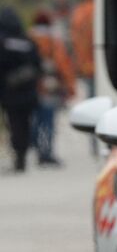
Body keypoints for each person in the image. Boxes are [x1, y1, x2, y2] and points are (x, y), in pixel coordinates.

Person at [29, 10, 76, 165]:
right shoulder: (53, 40)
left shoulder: (28, 37)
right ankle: (46, 152)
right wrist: (70, 87)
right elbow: (63, 64)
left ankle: (34, 144)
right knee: (48, 120)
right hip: (50, 85)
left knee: (35, 119)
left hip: (31, 86)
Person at [0, 8, 41, 172]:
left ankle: (19, 155)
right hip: (28, 91)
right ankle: (22, 153)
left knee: (14, 124)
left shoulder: (3, 42)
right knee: (24, 123)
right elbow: (37, 65)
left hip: (10, 93)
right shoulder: (28, 41)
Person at [70, 0, 95, 97]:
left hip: (84, 64)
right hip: (101, 63)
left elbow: (74, 39)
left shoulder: (78, 12)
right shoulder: (100, 9)